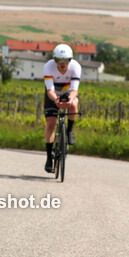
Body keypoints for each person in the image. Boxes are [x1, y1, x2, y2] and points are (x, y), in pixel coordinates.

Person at [43, 43, 81, 173]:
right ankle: (49, 158)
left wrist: (70, 100)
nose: (62, 64)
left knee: (74, 104)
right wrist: (56, 100)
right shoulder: (48, 66)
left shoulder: (76, 67)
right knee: (51, 123)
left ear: (70, 60)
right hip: (53, 94)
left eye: (66, 61)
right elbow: (49, 90)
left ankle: (69, 130)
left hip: (67, 92)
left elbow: (74, 90)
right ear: (55, 60)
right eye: (59, 61)